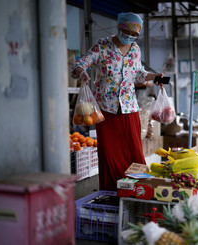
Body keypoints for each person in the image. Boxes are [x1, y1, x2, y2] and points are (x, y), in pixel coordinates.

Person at [71, 12, 164, 191]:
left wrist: (155, 76)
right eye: (127, 31)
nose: (130, 36)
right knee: (109, 155)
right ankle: (111, 193)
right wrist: (82, 72)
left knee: (134, 153)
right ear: (119, 27)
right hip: (106, 111)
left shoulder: (135, 49)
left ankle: (137, 191)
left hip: (129, 109)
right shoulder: (102, 46)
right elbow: (78, 64)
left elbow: (139, 73)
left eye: (135, 34)